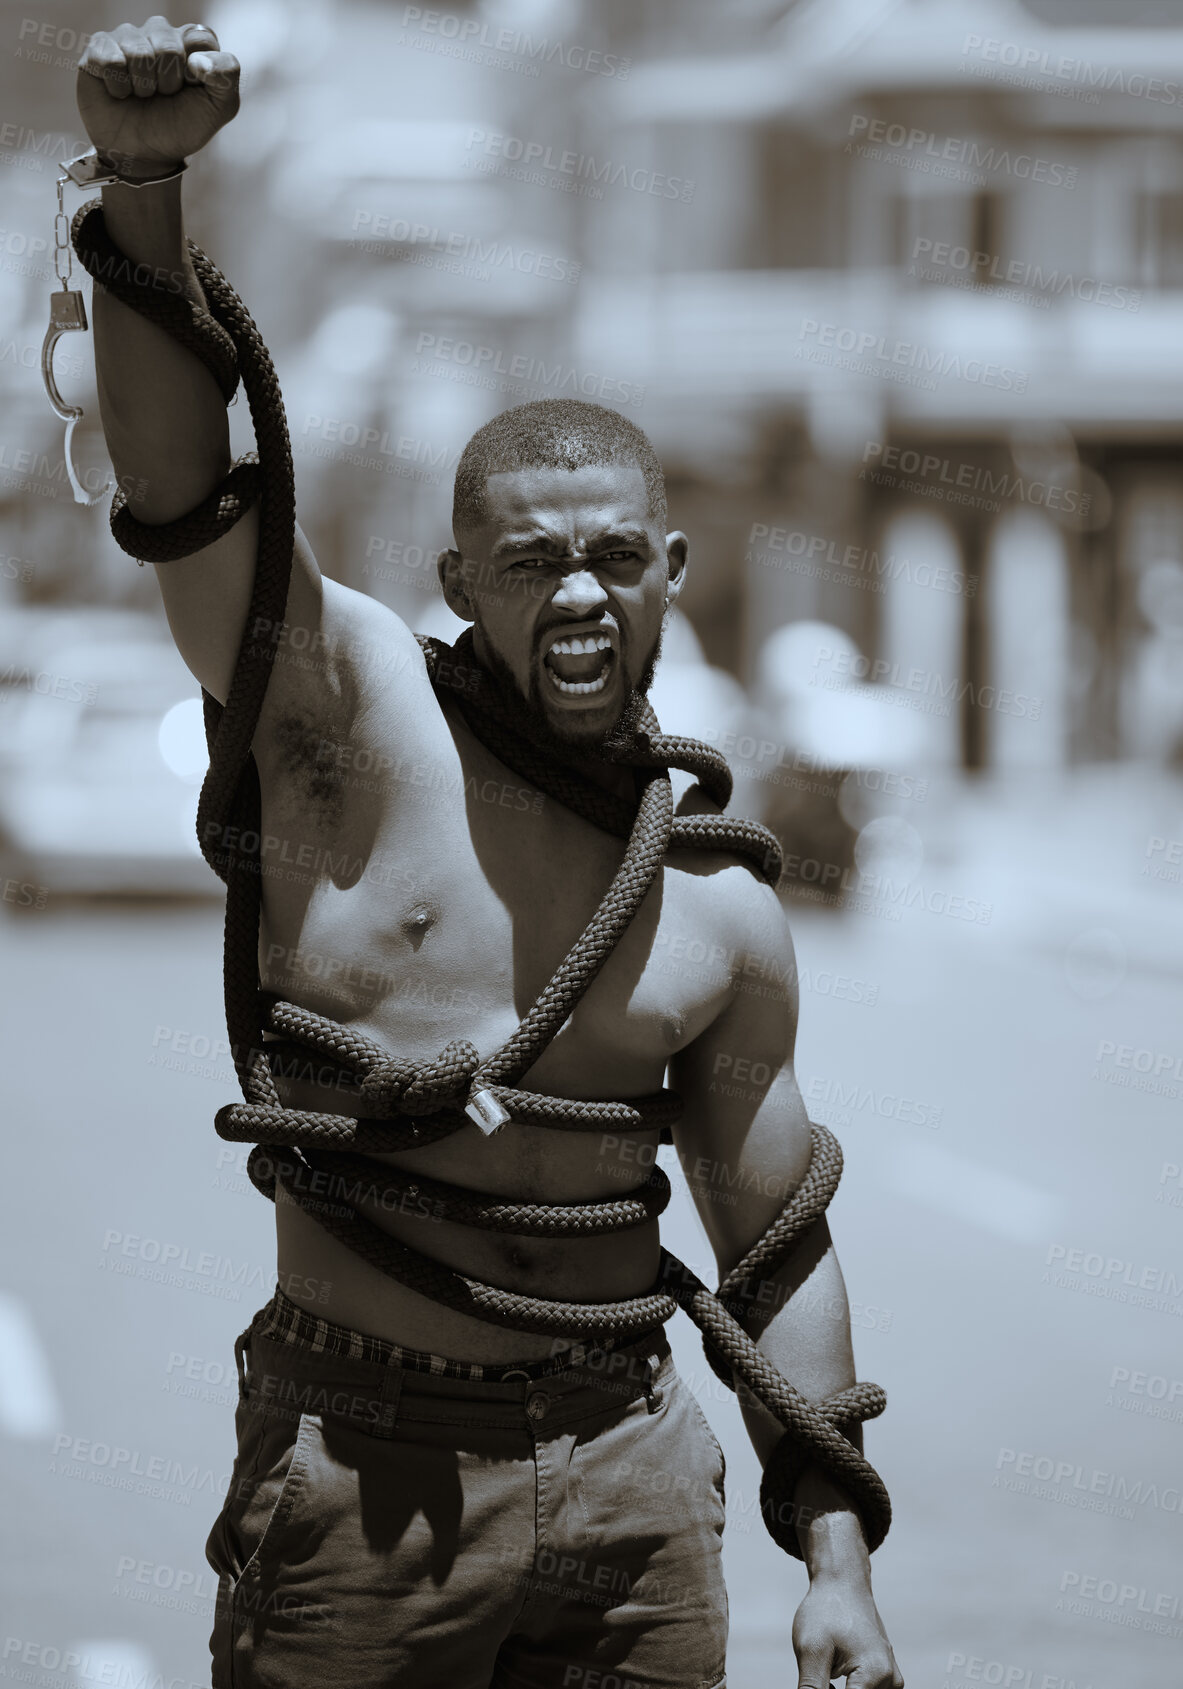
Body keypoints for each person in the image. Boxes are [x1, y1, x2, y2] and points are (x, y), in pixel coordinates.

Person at [75, 18, 903, 1688]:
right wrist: (145, 186)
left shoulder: (725, 904)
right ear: (465, 582)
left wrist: (837, 1557)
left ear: (672, 570)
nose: (579, 593)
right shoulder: (364, 726)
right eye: (532, 563)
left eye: (614, 558)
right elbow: (187, 492)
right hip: (367, 1465)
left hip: (637, 1471)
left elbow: (772, 1230)